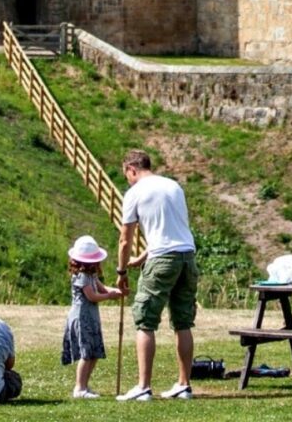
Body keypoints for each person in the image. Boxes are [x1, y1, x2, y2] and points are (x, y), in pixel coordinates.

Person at [115, 149, 198, 401]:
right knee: (183, 322)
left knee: (145, 320)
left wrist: (121, 271)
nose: (127, 179)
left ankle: (143, 386)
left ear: (131, 169)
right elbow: (171, 230)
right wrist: (141, 258)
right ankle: (184, 384)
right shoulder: (174, 187)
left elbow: (124, 239)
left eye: (126, 175)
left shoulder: (134, 193)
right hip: (187, 257)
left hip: (162, 259)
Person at [63, 235, 125, 399]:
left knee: (94, 352)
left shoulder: (91, 275)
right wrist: (109, 297)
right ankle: (79, 388)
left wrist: (117, 292)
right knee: (86, 353)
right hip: (82, 316)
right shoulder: (81, 276)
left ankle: (85, 385)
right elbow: (92, 296)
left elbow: (102, 288)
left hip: (91, 316)